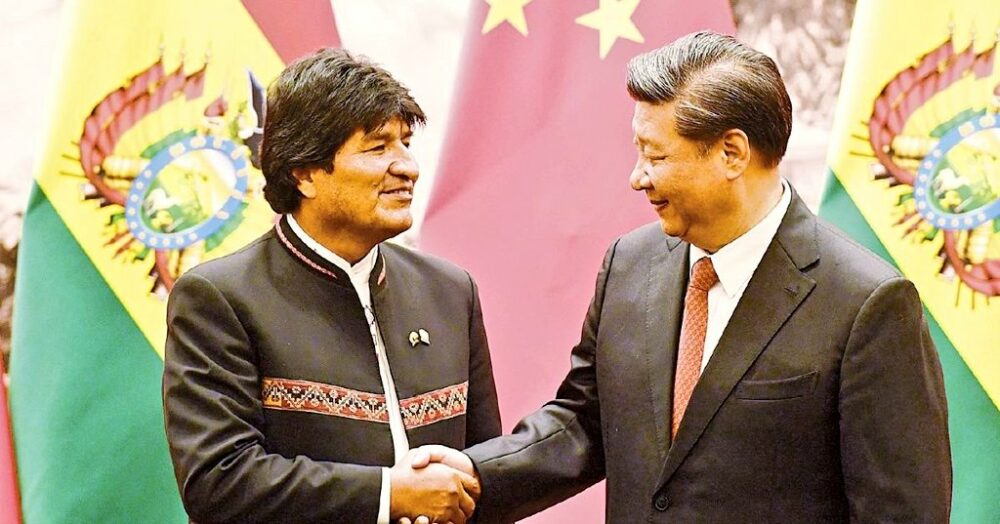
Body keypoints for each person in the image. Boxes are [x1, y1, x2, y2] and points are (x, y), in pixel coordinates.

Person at [412, 31, 952, 522]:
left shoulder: (865, 303)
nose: (637, 177)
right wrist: (473, 475)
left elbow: (900, 512)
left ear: (732, 153)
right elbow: (584, 422)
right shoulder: (629, 265)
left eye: (656, 156)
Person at [162, 48, 501, 524]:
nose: (408, 166)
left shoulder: (450, 290)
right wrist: (388, 495)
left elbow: (484, 471)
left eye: (405, 143)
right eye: (378, 147)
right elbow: (219, 482)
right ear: (304, 173)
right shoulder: (219, 298)